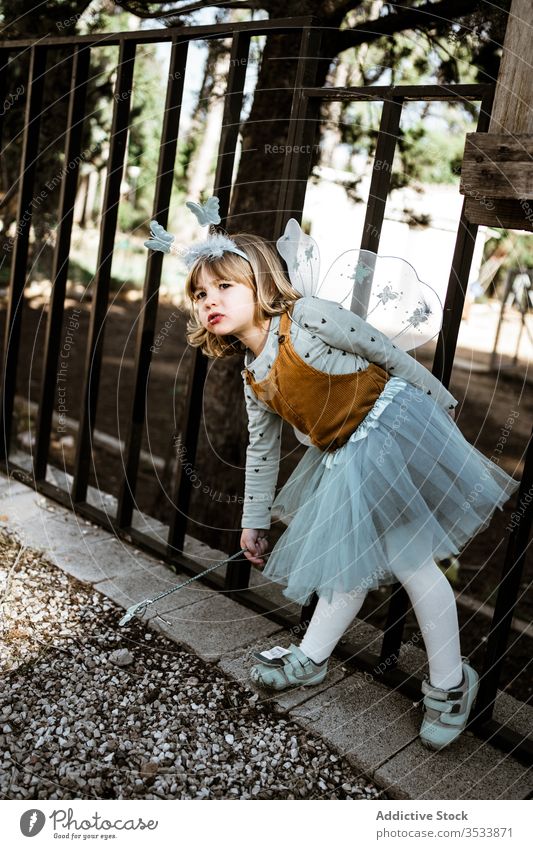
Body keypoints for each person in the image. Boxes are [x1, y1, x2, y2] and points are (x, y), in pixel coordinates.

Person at [145, 201, 520, 752]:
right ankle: (315, 657)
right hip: (347, 455)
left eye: (225, 286)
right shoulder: (254, 375)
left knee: (409, 557)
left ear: (261, 283)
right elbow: (262, 450)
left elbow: (384, 351)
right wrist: (253, 521)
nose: (211, 302)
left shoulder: (311, 318)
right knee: (353, 553)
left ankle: (449, 684)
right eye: (200, 295)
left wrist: (438, 405)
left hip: (392, 429)